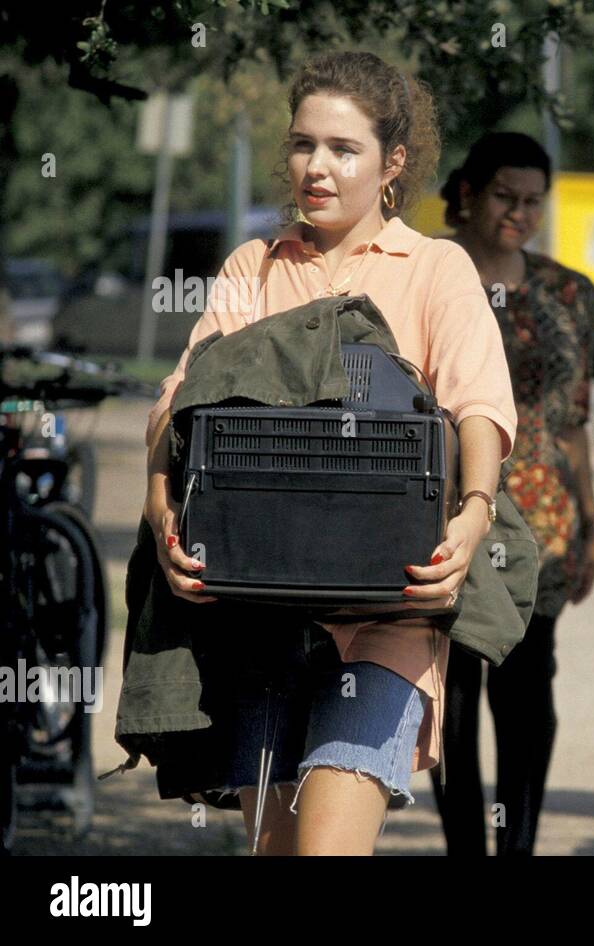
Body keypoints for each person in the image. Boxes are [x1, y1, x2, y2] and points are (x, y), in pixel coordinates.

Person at [141, 51, 518, 855]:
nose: (318, 166)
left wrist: (476, 513)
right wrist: (160, 505)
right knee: (273, 851)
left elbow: (479, 406)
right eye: (304, 144)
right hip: (255, 615)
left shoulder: (436, 269)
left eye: (344, 149)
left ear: (393, 163)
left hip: (390, 616)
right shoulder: (255, 267)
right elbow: (181, 404)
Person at [432, 132, 594, 855]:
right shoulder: (429, 274)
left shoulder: (569, 292)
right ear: (468, 192)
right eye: (505, 196)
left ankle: (520, 846)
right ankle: (466, 849)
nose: (519, 213)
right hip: (442, 504)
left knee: (529, 686)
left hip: (543, 514)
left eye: (534, 201)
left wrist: (590, 516)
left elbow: (572, 418)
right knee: (451, 691)